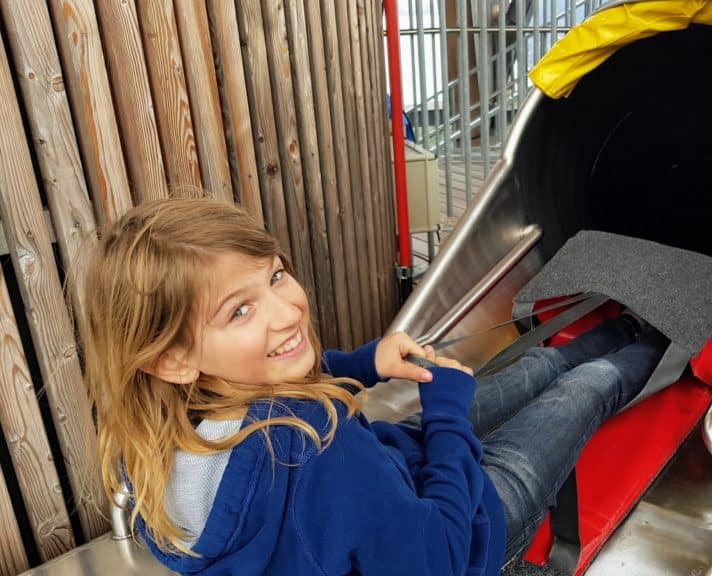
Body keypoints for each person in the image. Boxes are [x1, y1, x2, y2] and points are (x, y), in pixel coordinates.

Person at [83, 197, 668, 576]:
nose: (287, 311)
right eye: (239, 312)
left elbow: (264, 395)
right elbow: (437, 556)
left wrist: (365, 363)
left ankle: (620, 327)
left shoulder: (163, 436)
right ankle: (657, 336)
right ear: (172, 359)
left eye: (276, 276)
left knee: (538, 371)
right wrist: (446, 419)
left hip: (390, 476)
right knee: (581, 388)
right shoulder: (316, 448)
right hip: (468, 530)